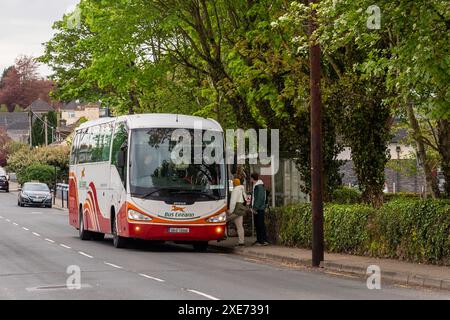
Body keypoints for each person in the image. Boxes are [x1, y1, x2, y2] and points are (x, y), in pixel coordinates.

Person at [251, 173, 269, 246]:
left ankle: (262, 240)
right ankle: (259, 240)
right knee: (258, 224)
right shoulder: (256, 186)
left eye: (251, 178)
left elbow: (260, 198)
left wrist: (255, 208)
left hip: (259, 208)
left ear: (253, 178)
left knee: (260, 224)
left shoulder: (259, 186)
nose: (250, 179)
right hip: (258, 208)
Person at [228, 178, 247, 246]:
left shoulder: (235, 190)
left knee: (224, 220)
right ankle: (241, 241)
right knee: (240, 226)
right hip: (241, 209)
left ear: (234, 183)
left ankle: (223, 234)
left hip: (236, 210)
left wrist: (230, 211)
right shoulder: (242, 189)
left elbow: (233, 202)